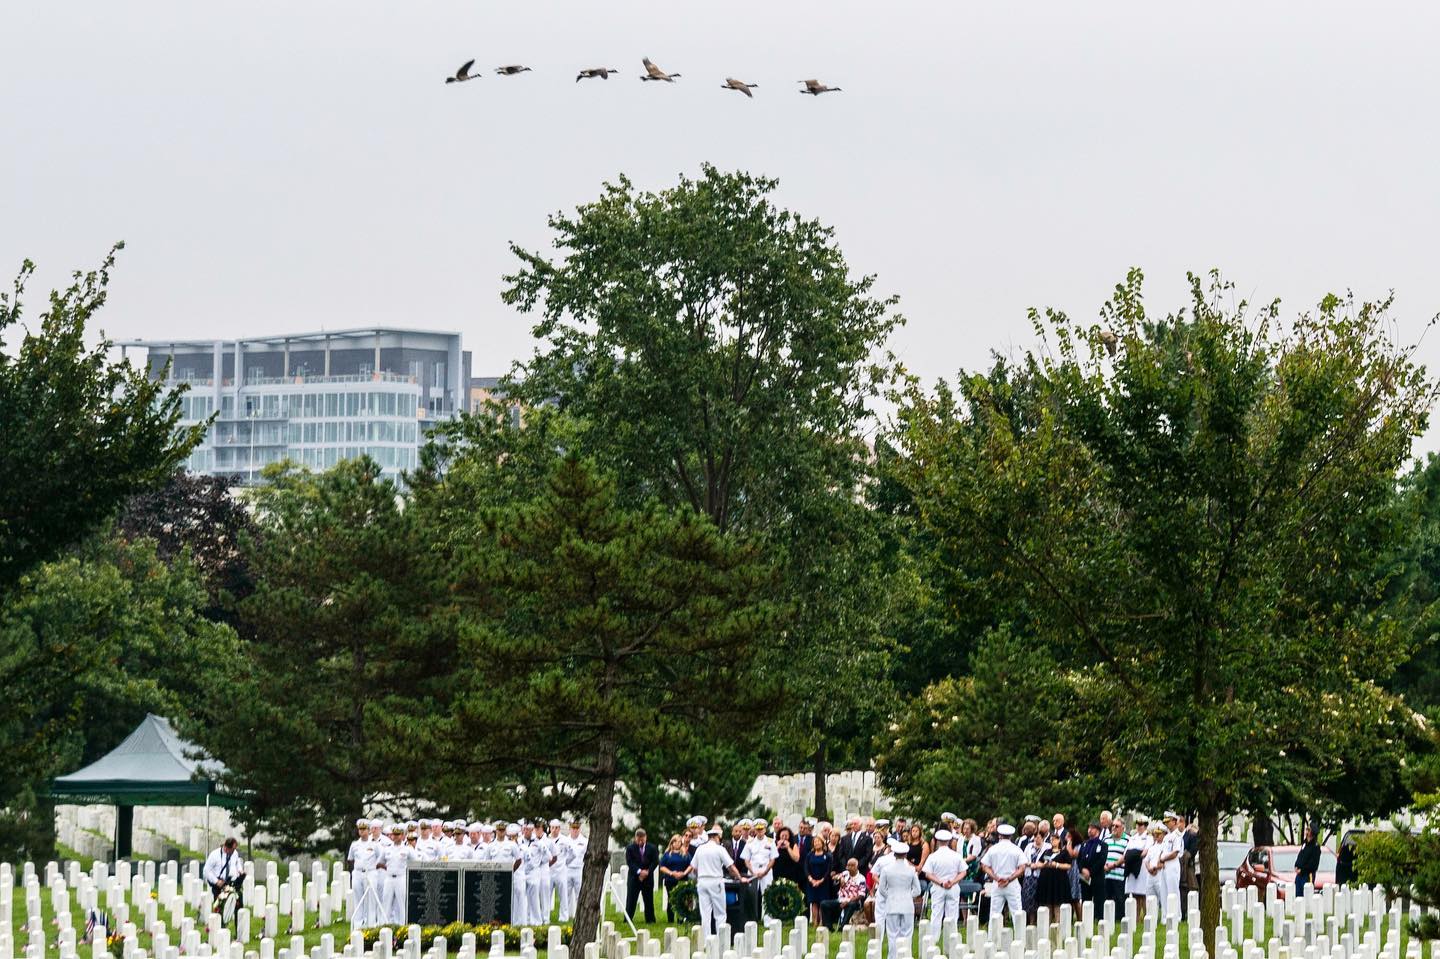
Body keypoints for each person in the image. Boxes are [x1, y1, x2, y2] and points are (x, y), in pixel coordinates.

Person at [692, 825, 744, 939]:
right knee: (720, 913)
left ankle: (707, 940)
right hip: (715, 881)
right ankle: (721, 939)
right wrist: (740, 878)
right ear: (716, 837)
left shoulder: (700, 849)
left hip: (702, 881)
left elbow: (694, 868)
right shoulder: (719, 849)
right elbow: (731, 867)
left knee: (705, 914)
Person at [876, 840, 921, 959]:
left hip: (892, 905)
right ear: (906, 855)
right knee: (907, 934)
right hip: (907, 905)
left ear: (894, 854)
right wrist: (907, 896)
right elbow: (917, 891)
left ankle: (893, 956)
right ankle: (906, 956)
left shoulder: (886, 869)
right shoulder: (911, 870)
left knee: (892, 934)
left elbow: (881, 889)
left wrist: (890, 896)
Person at [980, 824, 1026, 930]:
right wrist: (1009, 878)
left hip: (997, 884)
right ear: (1011, 836)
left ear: (1000, 835)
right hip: (1012, 883)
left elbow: (984, 866)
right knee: (1017, 912)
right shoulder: (1016, 849)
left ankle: (992, 938)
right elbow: (1022, 868)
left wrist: (996, 878)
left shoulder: (993, 849)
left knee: (994, 913)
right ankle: (1020, 938)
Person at [923, 828, 963, 937]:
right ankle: (952, 937)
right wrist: (952, 881)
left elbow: (928, 874)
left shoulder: (933, 856)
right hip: (953, 887)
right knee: (953, 914)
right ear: (949, 841)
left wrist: (941, 882)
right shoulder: (956, 856)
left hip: (938, 887)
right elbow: (963, 872)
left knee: (936, 914)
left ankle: (934, 938)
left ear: (937, 841)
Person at [346, 819, 380, 928]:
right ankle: (358, 924)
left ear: (369, 830)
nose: (362, 831)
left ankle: (370, 924)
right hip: (358, 873)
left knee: (370, 900)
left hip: (370, 873)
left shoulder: (374, 844)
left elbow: (380, 858)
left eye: (364, 829)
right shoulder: (354, 844)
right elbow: (350, 859)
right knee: (358, 898)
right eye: (360, 829)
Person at [625, 827, 659, 924]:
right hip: (634, 877)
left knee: (648, 900)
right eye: (638, 838)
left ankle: (650, 919)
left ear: (646, 837)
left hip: (648, 877)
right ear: (635, 838)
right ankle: (628, 919)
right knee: (631, 899)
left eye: (642, 838)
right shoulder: (630, 848)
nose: (640, 840)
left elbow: (655, 861)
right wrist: (639, 871)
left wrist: (647, 871)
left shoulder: (652, 848)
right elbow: (630, 862)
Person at [823, 858, 868, 931]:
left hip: (854, 901)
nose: (850, 867)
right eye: (848, 865)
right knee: (824, 904)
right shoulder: (845, 873)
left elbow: (861, 895)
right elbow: (834, 877)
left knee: (850, 905)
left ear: (857, 866)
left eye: (852, 865)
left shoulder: (861, 878)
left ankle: (842, 927)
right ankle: (829, 927)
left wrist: (848, 901)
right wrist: (840, 878)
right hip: (841, 899)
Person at [203, 837, 246, 911]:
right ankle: (219, 921)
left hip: (231, 882)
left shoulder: (234, 853)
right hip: (219, 883)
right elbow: (206, 870)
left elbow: (237, 862)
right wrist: (216, 881)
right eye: (232, 849)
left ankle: (238, 921)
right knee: (220, 906)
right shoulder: (214, 855)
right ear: (226, 847)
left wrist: (240, 870)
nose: (234, 851)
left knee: (238, 902)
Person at [1124, 815, 1153, 920]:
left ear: (1145, 826)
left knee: (1143, 893)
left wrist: (1134, 854)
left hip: (1142, 867)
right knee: (1135, 893)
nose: (1139, 826)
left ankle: (1146, 915)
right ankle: (1136, 916)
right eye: (1138, 824)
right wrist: (1133, 855)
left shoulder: (1148, 838)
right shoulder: (1133, 838)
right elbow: (1126, 852)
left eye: (1141, 825)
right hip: (1132, 866)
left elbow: (1145, 852)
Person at [659, 835, 693, 922]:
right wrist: (671, 873)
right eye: (675, 842)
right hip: (670, 880)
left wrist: (684, 873)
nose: (677, 844)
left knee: (681, 900)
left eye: (679, 842)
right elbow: (662, 867)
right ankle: (670, 919)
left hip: (682, 879)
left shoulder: (685, 854)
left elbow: (691, 865)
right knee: (671, 900)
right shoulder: (667, 855)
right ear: (672, 843)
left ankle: (680, 919)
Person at [1035, 831, 1072, 909]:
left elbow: (1068, 865)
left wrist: (1057, 865)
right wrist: (1043, 865)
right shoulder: (1047, 851)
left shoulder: (1064, 852)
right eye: (1051, 840)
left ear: (1059, 840)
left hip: (1058, 880)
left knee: (1057, 904)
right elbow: (1038, 862)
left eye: (1054, 839)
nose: (1052, 841)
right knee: (1047, 904)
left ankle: (1057, 921)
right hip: (1047, 879)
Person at [1077, 822, 1109, 913]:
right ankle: (1086, 917)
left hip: (1097, 876)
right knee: (1085, 899)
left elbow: (1101, 861)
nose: (1089, 830)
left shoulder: (1103, 845)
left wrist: (1090, 872)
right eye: (1089, 828)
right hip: (1084, 877)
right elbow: (1079, 860)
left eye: (1092, 828)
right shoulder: (1084, 844)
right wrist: (1082, 869)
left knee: (1099, 900)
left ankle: (1098, 917)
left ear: (1098, 831)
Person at [805, 835, 835, 927]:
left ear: (822, 843)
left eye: (818, 841)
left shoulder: (827, 855)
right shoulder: (809, 855)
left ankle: (822, 921)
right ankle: (815, 922)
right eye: (815, 842)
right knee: (814, 902)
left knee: (822, 903)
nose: (816, 843)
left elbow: (828, 870)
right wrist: (811, 879)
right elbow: (806, 868)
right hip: (812, 882)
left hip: (823, 882)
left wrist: (821, 881)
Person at [1144, 824, 1168, 920]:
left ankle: (1164, 918)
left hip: (1160, 874)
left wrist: (1155, 868)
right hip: (1150, 875)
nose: (1156, 836)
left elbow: (1164, 862)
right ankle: (1152, 917)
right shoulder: (1151, 847)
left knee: (1162, 896)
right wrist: (1149, 868)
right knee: (1150, 897)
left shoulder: (1165, 846)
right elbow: (1146, 860)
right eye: (1155, 834)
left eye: (1159, 834)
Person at [1103, 819, 1128, 907]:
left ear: (1122, 828)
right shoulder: (1106, 838)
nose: (1114, 828)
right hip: (1107, 875)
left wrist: (1113, 865)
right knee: (1107, 900)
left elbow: (1126, 856)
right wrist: (1104, 865)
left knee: (1120, 900)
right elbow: (1102, 854)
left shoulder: (1128, 839)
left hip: (1119, 875)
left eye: (1116, 826)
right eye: (1113, 825)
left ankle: (1119, 919)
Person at [1295, 826, 1322, 896]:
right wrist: (1296, 865)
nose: (1306, 832)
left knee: (1306, 896)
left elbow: (1313, 864)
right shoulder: (1305, 843)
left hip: (1307, 875)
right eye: (1306, 829)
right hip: (1299, 876)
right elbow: (1300, 856)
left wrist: (1302, 870)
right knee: (1298, 896)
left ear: (1312, 832)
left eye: (1308, 830)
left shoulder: (1315, 847)